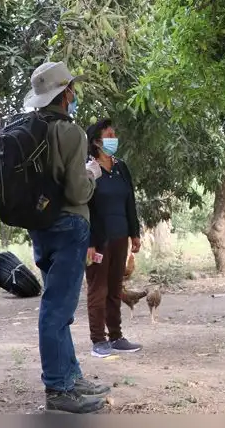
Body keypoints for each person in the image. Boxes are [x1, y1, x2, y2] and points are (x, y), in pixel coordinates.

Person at [22, 61, 110, 414]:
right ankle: (58, 389)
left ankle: (71, 376)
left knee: (58, 309)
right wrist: (93, 174)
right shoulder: (69, 133)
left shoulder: (28, 129)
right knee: (57, 310)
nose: (74, 95)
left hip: (40, 226)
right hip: (69, 226)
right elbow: (76, 192)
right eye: (71, 89)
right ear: (65, 94)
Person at [84, 117, 143, 358]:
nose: (113, 139)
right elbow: (83, 207)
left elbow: (130, 200)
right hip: (98, 240)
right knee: (98, 289)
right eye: (109, 136)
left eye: (114, 134)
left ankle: (116, 336)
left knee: (115, 289)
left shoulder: (121, 168)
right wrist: (88, 242)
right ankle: (99, 340)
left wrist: (135, 233)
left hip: (120, 237)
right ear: (97, 142)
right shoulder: (89, 171)